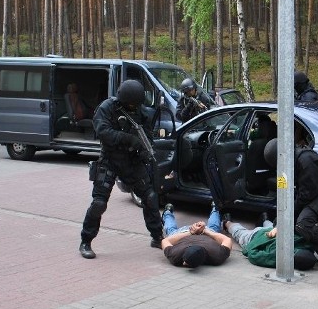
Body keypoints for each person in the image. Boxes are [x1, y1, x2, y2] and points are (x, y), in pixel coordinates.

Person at [79, 80, 163, 259]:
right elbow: (102, 132)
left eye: (135, 105)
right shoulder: (107, 108)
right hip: (110, 159)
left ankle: (157, 236)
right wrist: (128, 139)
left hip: (132, 162)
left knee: (150, 197)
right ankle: (86, 241)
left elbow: (148, 136)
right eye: (130, 104)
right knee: (99, 203)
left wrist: (145, 151)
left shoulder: (141, 112)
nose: (133, 108)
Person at [263, 132, 318, 272]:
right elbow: (287, 189)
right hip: (311, 195)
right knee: (283, 219)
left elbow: (308, 195)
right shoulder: (291, 162)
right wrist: (282, 217)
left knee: (303, 224)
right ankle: (308, 245)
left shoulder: (306, 161)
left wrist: (290, 214)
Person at [223, 213, 318, 271]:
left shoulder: (305, 241)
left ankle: (264, 218)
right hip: (256, 237)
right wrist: (247, 249)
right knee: (239, 232)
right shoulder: (279, 257)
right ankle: (227, 222)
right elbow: (253, 255)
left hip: (271, 230)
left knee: (268, 224)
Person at [160, 203, 232, 268]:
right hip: (204, 233)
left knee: (171, 230)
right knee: (213, 228)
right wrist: (205, 231)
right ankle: (215, 208)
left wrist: (190, 232)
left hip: (184, 233)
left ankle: (167, 212)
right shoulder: (216, 255)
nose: (184, 264)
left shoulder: (217, 256)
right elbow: (227, 239)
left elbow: (165, 240)